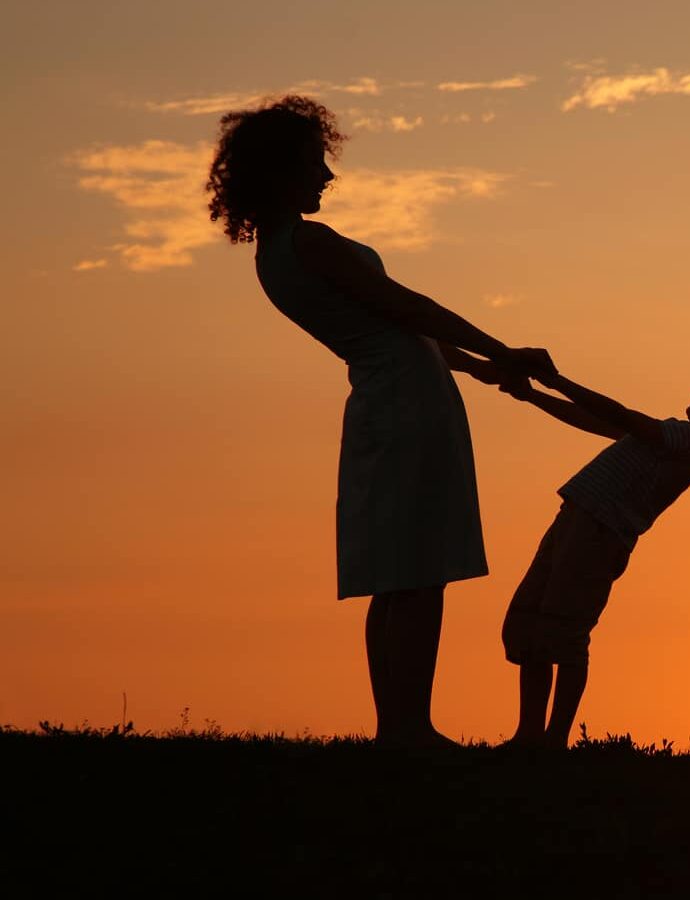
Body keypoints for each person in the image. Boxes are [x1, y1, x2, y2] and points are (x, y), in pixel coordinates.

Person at [206, 95, 554, 749]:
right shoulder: (307, 243)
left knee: (398, 574)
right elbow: (405, 308)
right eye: (315, 163)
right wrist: (499, 349)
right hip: (404, 403)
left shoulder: (275, 255)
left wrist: (477, 367)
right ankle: (408, 728)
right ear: (284, 171)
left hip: (392, 396)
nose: (326, 177)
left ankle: (398, 726)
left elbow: (390, 326)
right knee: (418, 571)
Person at [494, 365, 690, 748]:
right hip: (578, 521)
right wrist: (534, 395)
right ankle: (531, 734)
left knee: (564, 631)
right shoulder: (675, 440)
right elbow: (596, 421)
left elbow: (620, 416)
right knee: (537, 624)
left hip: (596, 535)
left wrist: (555, 380)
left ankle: (551, 737)